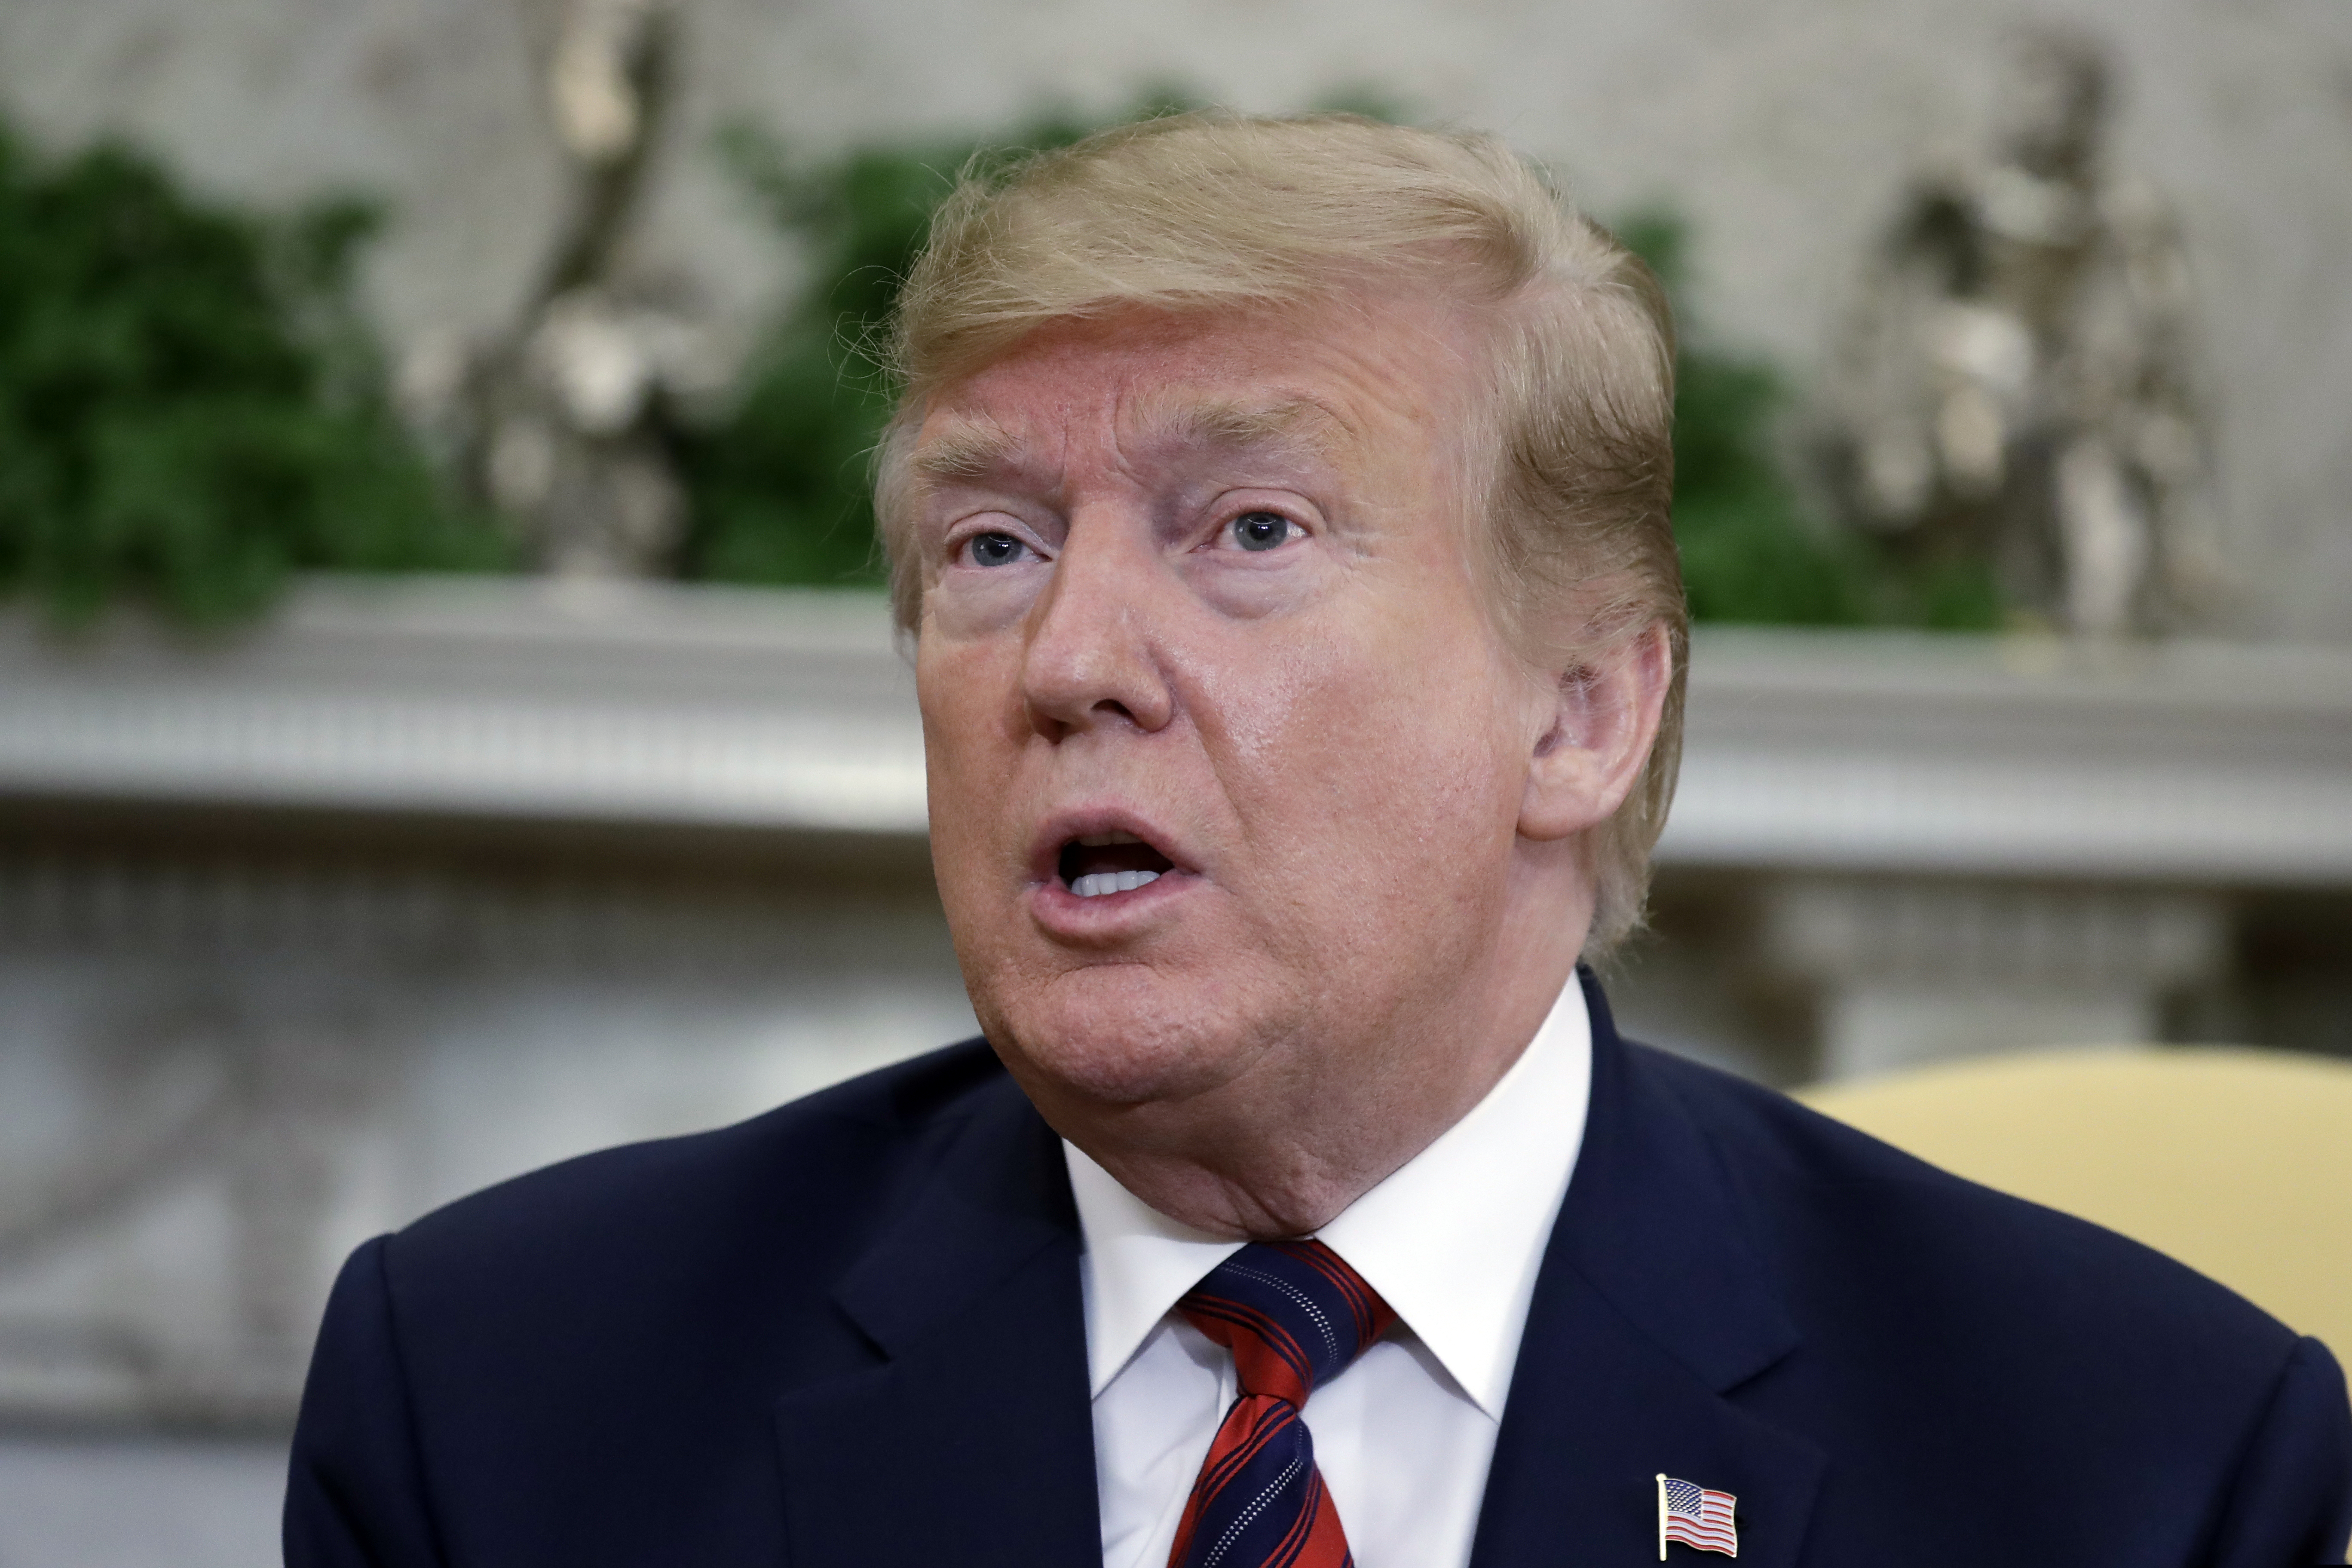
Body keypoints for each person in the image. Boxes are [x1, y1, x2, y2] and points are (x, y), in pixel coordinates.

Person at [284, 113, 2352, 1568]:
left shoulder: (2135, 1464)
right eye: (990, 545)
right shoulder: (507, 1400)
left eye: (1250, 531)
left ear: (1583, 711)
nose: (1071, 657)